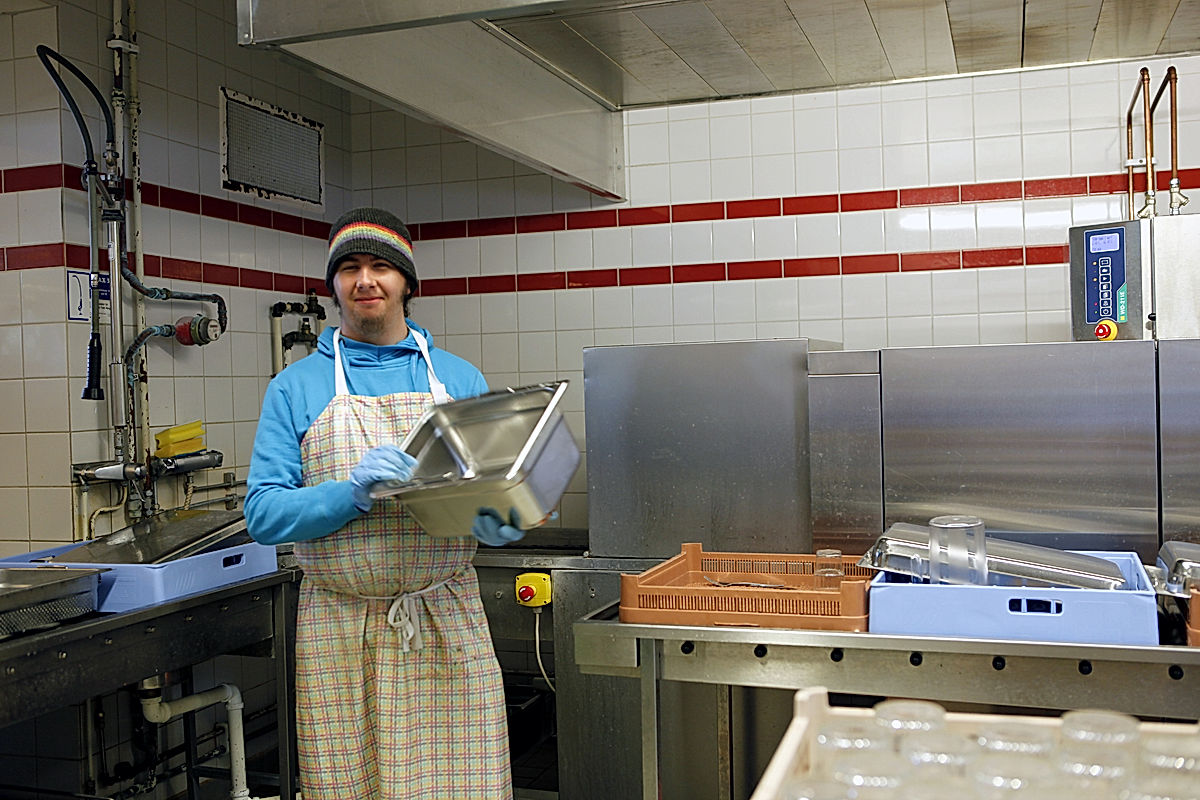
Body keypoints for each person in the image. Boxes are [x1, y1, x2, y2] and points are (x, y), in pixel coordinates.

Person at [245, 207, 524, 800]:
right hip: (337, 630)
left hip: (445, 623)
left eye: (380, 267)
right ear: (334, 286)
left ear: (406, 284)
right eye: (349, 268)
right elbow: (264, 515)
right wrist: (350, 494)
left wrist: (502, 515)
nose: (364, 280)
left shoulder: (458, 380)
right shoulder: (295, 388)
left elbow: (500, 512)